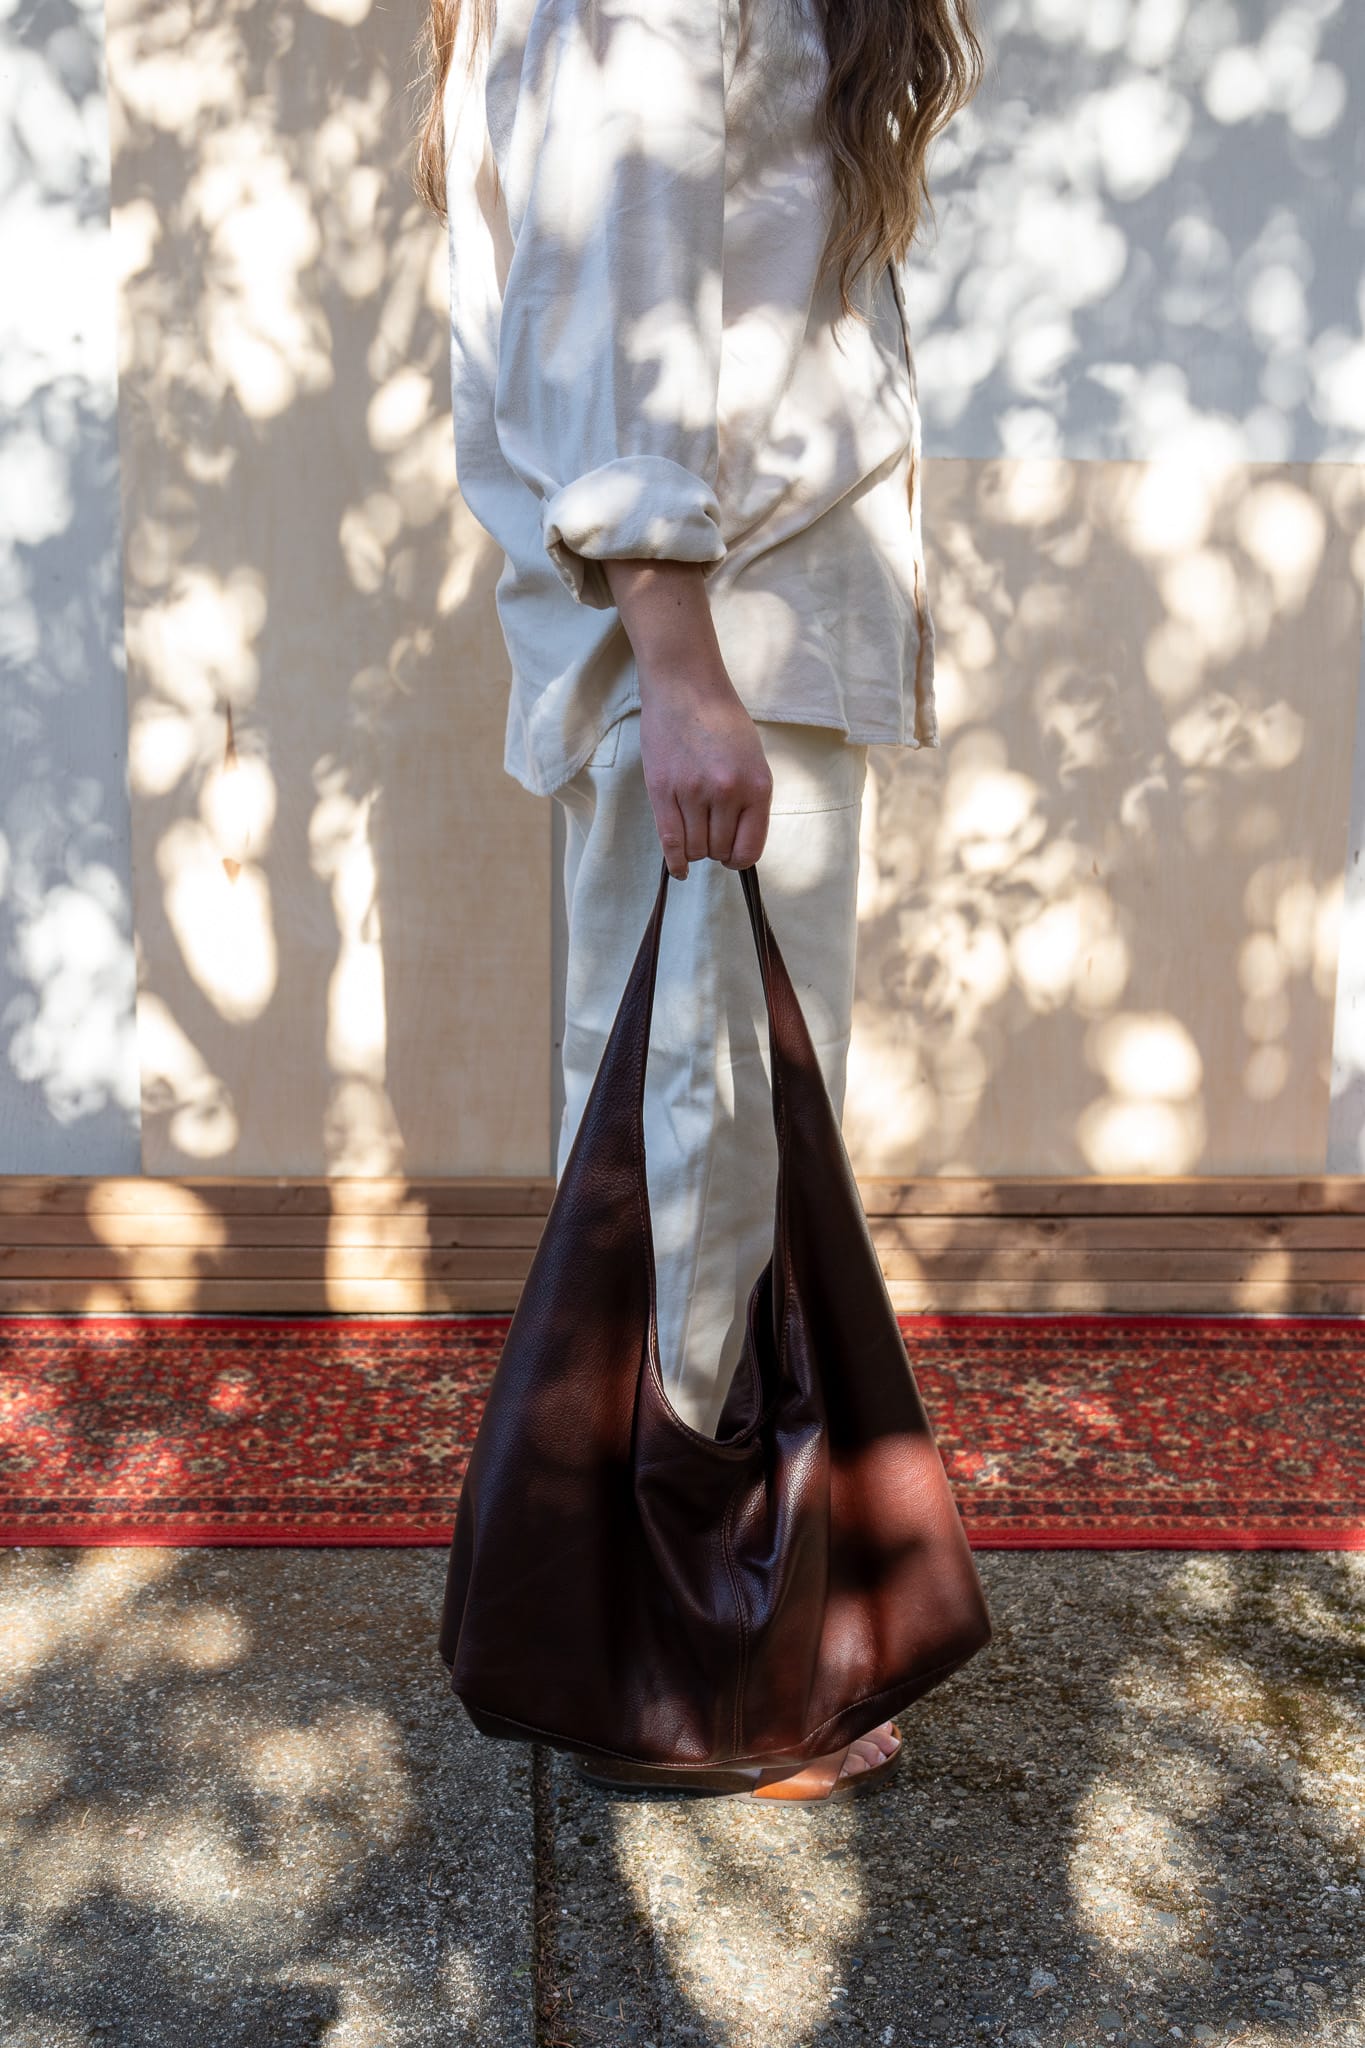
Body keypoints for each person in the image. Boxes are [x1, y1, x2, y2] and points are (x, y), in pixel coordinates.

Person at [414, 0, 984, 1801]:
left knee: (699, 1116)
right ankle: (690, 1664)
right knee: (701, 1127)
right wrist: (677, 661)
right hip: (720, 639)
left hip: (747, 638)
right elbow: (609, 297)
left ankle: (691, 1633)